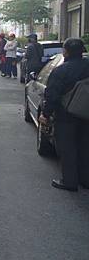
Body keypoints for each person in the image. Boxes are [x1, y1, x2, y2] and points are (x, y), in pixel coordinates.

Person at [39, 38, 89, 191]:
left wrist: (46, 115)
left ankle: (69, 181)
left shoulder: (61, 70)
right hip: (86, 114)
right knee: (85, 147)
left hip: (66, 115)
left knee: (67, 148)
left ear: (65, 51)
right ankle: (85, 180)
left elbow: (52, 95)